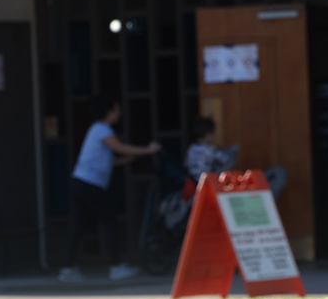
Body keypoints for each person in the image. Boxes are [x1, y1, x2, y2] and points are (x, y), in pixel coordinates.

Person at [58, 94, 161, 282]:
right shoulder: (101, 129)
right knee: (110, 222)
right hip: (89, 185)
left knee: (79, 226)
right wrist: (148, 150)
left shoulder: (96, 130)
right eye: (117, 109)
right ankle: (116, 267)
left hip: (80, 183)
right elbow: (119, 147)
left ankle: (67, 269)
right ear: (109, 111)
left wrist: (128, 159)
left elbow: (109, 161)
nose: (119, 113)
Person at [185, 117, 287, 200]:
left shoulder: (191, 149)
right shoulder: (209, 150)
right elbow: (225, 159)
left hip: (194, 181)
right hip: (208, 183)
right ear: (208, 134)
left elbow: (187, 164)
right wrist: (231, 151)